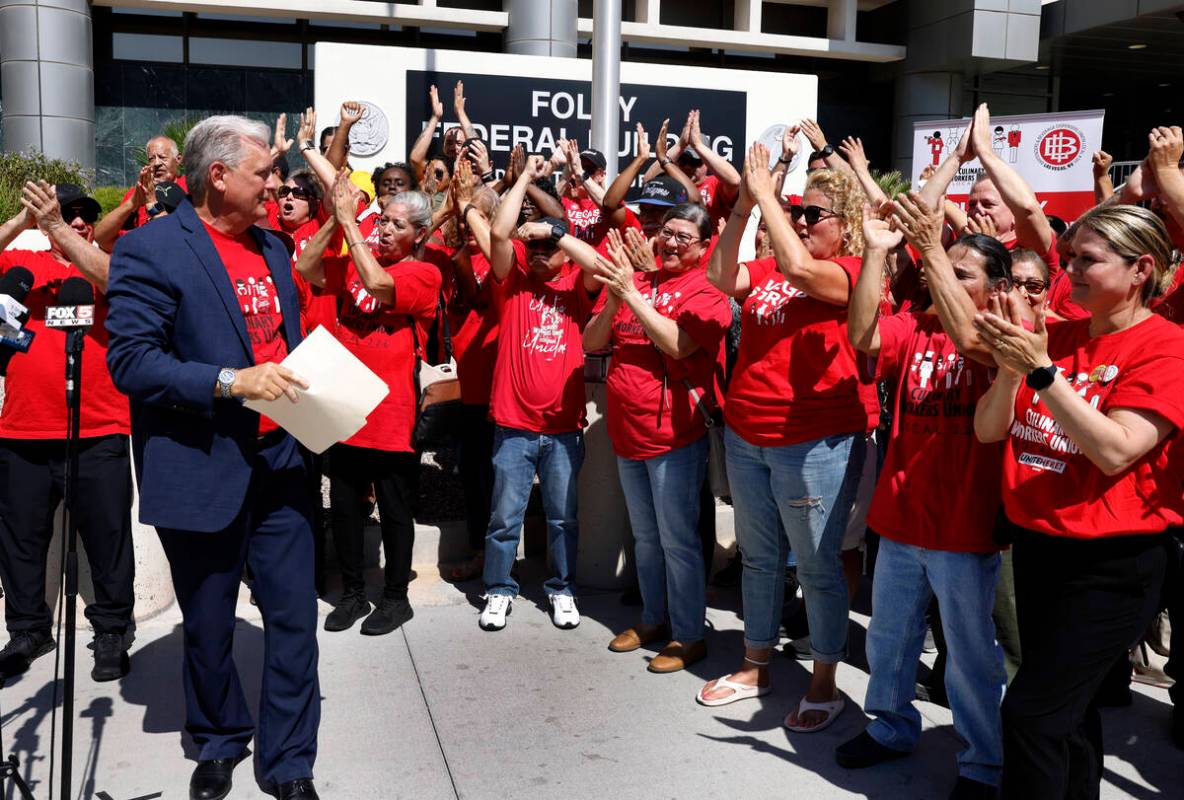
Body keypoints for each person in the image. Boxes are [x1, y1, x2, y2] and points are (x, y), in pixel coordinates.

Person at [105, 115, 320, 800]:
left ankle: (289, 762)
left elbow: (281, 340)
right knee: (206, 626)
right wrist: (230, 381)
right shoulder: (151, 249)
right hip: (200, 467)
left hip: (281, 465)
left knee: (293, 621)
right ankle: (221, 737)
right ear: (219, 175)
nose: (277, 187)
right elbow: (132, 362)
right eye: (265, 174)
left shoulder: (277, 248)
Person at [972, 204, 1184, 799]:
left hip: (1111, 567)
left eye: (1087, 261)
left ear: (1141, 268)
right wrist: (1014, 371)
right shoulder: (1055, 337)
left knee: (1032, 716)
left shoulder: (1166, 348)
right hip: (1039, 549)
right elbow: (990, 431)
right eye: (1069, 260)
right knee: (1070, 712)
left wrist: (1040, 371)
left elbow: (1117, 451)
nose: (1070, 273)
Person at [839, 192, 1010, 797]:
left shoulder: (1004, 335)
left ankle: (982, 762)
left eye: (961, 273)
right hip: (901, 517)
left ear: (994, 287)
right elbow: (862, 334)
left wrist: (930, 245)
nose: (943, 276)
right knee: (888, 637)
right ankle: (889, 726)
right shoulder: (914, 325)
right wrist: (875, 255)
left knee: (969, 656)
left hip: (963, 528)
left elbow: (973, 346)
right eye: (942, 266)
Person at [698, 145, 874, 733]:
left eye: (813, 212)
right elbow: (721, 275)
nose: (799, 220)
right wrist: (746, 207)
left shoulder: (852, 272)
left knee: (819, 566)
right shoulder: (771, 269)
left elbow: (802, 270)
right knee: (760, 558)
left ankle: (825, 680)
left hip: (814, 441)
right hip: (750, 435)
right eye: (797, 210)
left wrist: (769, 196)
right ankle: (755, 664)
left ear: (845, 223)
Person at [583, 205, 731, 673]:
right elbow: (591, 343)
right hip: (627, 435)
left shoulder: (709, 291)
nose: (669, 243)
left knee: (677, 541)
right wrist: (615, 298)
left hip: (674, 440)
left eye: (683, 238)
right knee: (646, 539)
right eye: (666, 233)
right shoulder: (638, 283)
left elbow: (678, 344)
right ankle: (653, 619)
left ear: (703, 247)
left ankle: (689, 635)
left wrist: (632, 293)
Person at [0, 182, 135, 683]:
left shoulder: (105, 264)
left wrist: (70, 233)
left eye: (85, 215)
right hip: (24, 430)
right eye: (67, 213)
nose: (78, 221)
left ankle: (113, 628)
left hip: (98, 429)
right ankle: (29, 628)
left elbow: (122, 281)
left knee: (108, 537)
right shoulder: (20, 265)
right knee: (20, 539)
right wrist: (24, 219)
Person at [295, 177, 441, 637]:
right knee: (343, 507)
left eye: (397, 225)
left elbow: (379, 287)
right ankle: (354, 594)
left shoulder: (423, 273)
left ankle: (396, 598)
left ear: (419, 234)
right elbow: (307, 265)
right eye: (383, 220)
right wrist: (337, 221)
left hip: (391, 412)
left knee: (395, 511)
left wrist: (354, 232)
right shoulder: (359, 255)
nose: (384, 229)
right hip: (344, 408)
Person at [476, 155, 603, 632]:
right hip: (514, 425)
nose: (543, 257)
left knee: (563, 519)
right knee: (504, 518)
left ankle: (562, 589)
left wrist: (556, 234)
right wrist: (526, 178)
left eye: (552, 249)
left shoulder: (577, 287)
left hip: (564, 428)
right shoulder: (513, 284)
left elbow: (600, 264)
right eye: (538, 248)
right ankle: (498, 589)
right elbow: (498, 234)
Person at [94, 135, 187, 251]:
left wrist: (152, 204)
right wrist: (133, 202)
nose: (157, 163)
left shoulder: (192, 187)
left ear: (178, 159)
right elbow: (102, 237)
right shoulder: (138, 192)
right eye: (151, 159)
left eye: (162, 157)